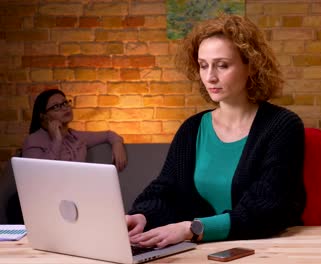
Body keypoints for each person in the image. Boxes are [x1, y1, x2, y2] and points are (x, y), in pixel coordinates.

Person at [126, 14, 305, 248]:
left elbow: (266, 209)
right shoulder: (192, 129)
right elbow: (166, 190)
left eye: (222, 65)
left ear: (251, 65)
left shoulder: (283, 125)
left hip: (271, 249)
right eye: (203, 65)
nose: (210, 76)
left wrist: (191, 228)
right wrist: (142, 216)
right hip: (204, 251)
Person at [22, 89, 127, 170]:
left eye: (65, 103)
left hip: (77, 191)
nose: (65, 108)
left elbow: (109, 134)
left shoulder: (75, 136)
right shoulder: (33, 141)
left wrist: (117, 144)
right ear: (43, 116)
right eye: (56, 107)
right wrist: (57, 141)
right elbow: (40, 174)